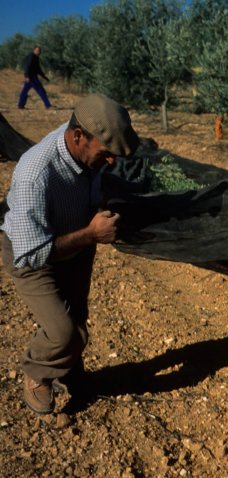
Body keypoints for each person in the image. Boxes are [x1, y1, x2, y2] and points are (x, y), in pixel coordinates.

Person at [1, 93, 140, 414]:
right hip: (32, 253)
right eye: (106, 154)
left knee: (77, 317)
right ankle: (37, 371)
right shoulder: (36, 172)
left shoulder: (86, 149)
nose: (111, 163)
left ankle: (69, 373)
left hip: (75, 240)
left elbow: (100, 173)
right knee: (65, 333)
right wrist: (91, 234)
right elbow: (30, 254)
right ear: (78, 136)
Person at [18, 44, 52, 110]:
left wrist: (44, 77)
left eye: (39, 51)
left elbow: (38, 69)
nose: (38, 52)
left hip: (32, 77)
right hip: (32, 78)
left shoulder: (36, 57)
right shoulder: (32, 56)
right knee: (41, 90)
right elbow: (27, 66)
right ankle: (48, 105)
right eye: (37, 50)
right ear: (33, 50)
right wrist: (26, 76)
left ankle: (21, 105)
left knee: (25, 91)